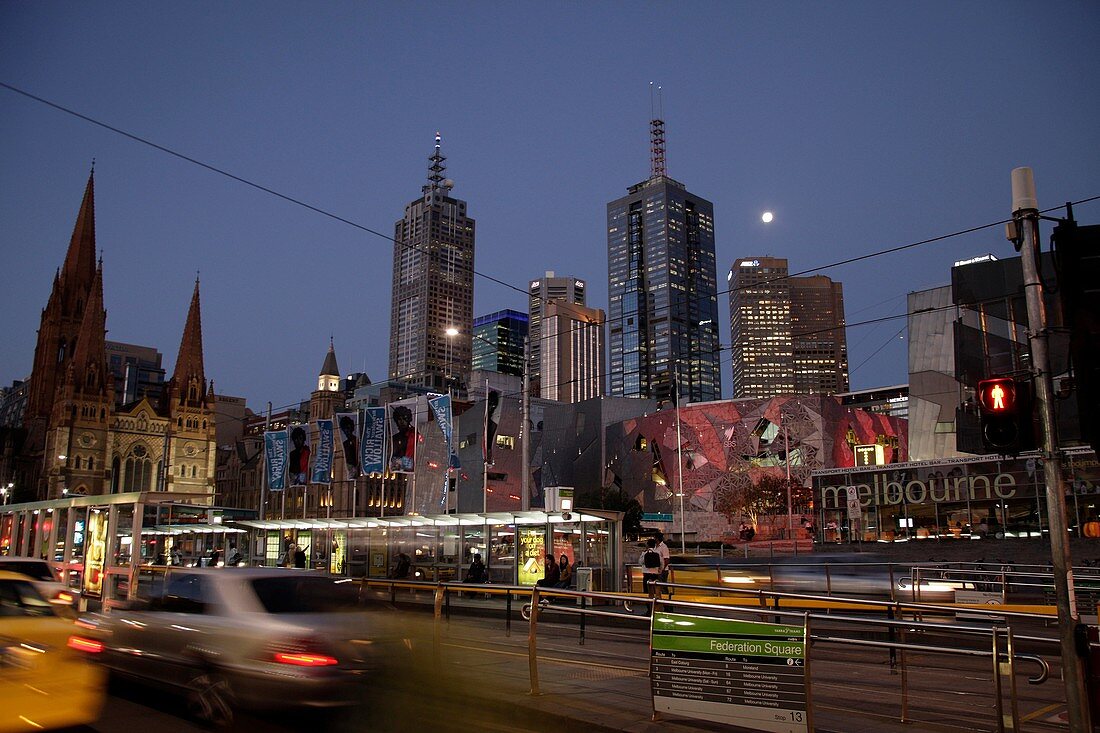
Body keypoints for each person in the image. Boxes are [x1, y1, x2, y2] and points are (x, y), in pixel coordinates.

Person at [389, 406, 416, 472]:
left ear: (409, 419)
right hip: (402, 467)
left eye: (405, 418)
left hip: (413, 466)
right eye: (399, 419)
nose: (402, 421)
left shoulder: (414, 435)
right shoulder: (395, 437)